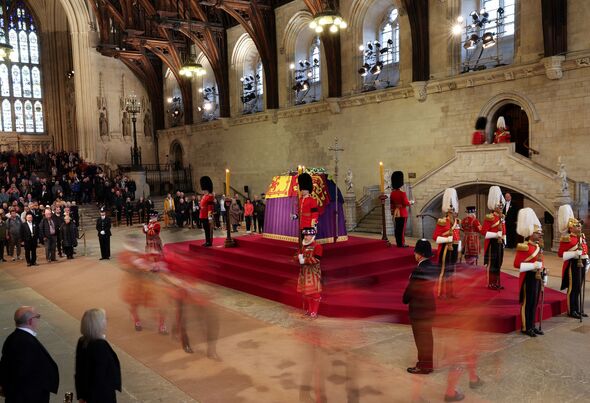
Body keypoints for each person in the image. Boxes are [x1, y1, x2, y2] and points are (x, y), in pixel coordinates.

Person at [0, 306, 59, 401]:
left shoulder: (11, 338)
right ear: (30, 321)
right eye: (38, 317)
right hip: (29, 397)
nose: (38, 320)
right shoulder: (27, 342)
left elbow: (4, 366)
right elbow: (24, 375)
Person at [403, 239, 437, 375]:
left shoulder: (418, 270)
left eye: (415, 251)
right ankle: (428, 363)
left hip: (419, 309)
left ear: (420, 254)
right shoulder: (433, 267)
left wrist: (405, 299)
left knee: (420, 338)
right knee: (427, 336)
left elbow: (410, 291)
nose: (414, 254)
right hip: (429, 306)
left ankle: (423, 365)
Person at [75, 308, 122, 403]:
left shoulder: (82, 341)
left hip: (87, 394)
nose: (106, 321)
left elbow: (79, 372)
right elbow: (99, 377)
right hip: (102, 396)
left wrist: (82, 396)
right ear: (98, 324)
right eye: (104, 319)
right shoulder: (100, 346)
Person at [513, 208, 546, 337]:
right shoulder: (524, 246)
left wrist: (543, 272)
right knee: (528, 302)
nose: (540, 235)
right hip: (528, 277)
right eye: (538, 233)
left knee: (535, 302)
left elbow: (541, 263)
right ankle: (526, 327)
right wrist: (533, 265)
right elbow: (516, 265)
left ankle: (532, 325)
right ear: (531, 233)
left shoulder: (538, 247)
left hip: (537, 276)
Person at [557, 204, 588, 319]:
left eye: (579, 226)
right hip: (573, 264)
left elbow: (585, 250)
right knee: (573, 287)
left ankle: (578, 309)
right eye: (577, 226)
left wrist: (586, 260)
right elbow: (561, 254)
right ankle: (571, 310)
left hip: (582, 263)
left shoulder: (581, 236)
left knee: (578, 287)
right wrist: (575, 254)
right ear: (571, 228)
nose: (579, 227)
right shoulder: (567, 239)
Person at [432, 188, 460, 298]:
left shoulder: (457, 221)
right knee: (444, 272)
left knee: (451, 272)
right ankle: (441, 292)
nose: (453, 211)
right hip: (445, 249)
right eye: (451, 209)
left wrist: (459, 249)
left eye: (454, 209)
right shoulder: (442, 221)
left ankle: (450, 292)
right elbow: (435, 237)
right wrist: (447, 240)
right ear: (448, 210)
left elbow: (457, 237)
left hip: (454, 249)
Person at [481, 186, 506, 290]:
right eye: (498, 204)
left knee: (499, 263)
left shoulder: (502, 217)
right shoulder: (490, 217)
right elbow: (483, 232)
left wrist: (504, 241)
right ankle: (491, 283)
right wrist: (496, 235)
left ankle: (497, 282)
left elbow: (504, 231)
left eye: (501, 204)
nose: (500, 206)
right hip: (493, 243)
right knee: (493, 264)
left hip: (500, 243)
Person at [297, 227, 323, 318]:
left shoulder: (317, 246)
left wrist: (305, 260)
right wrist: (298, 257)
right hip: (304, 272)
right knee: (307, 293)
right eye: (305, 235)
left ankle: (314, 311)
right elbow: (297, 257)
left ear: (312, 235)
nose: (306, 237)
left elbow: (317, 259)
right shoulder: (302, 246)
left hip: (313, 273)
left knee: (314, 293)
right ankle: (310, 309)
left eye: (308, 235)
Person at [389, 171, 412, 248]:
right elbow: (406, 203)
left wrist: (392, 212)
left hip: (396, 212)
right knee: (402, 230)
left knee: (397, 228)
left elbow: (391, 204)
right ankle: (402, 243)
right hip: (402, 212)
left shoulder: (392, 193)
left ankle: (398, 242)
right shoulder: (402, 193)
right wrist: (411, 202)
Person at [199, 176, 215, 247]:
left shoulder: (210, 197)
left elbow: (210, 208)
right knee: (205, 229)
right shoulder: (204, 196)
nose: (203, 190)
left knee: (208, 230)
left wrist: (210, 218)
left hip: (206, 216)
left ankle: (209, 242)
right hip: (203, 215)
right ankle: (207, 241)